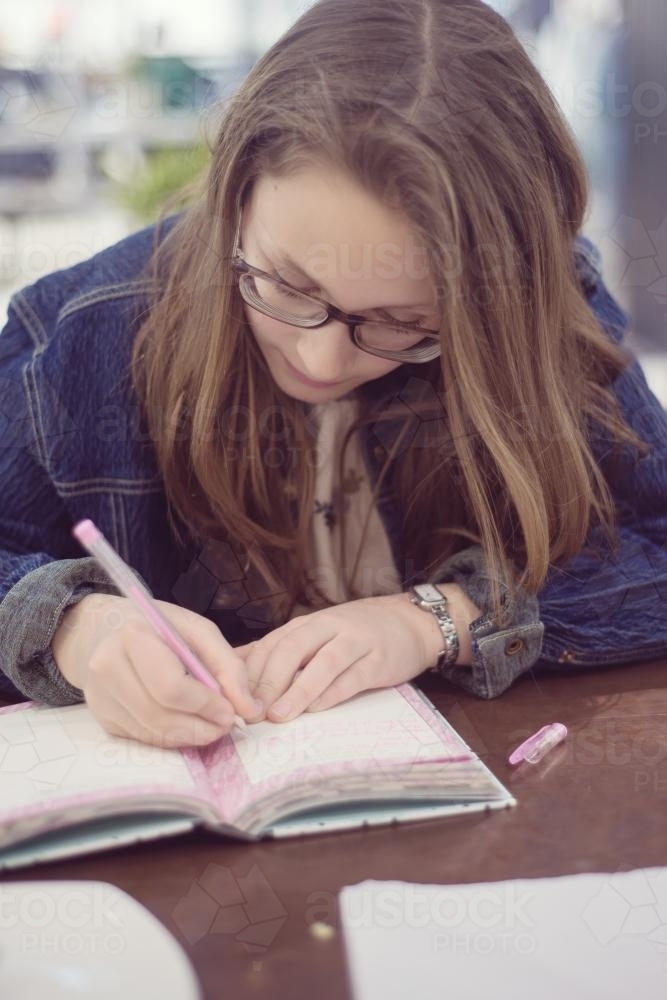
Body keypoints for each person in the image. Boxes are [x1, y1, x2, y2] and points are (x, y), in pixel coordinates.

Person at [1, 0, 666, 750]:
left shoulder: (544, 309)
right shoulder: (83, 329)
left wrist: (441, 619)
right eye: (286, 286)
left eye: (402, 324)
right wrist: (73, 626)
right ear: (235, 196)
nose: (320, 360)